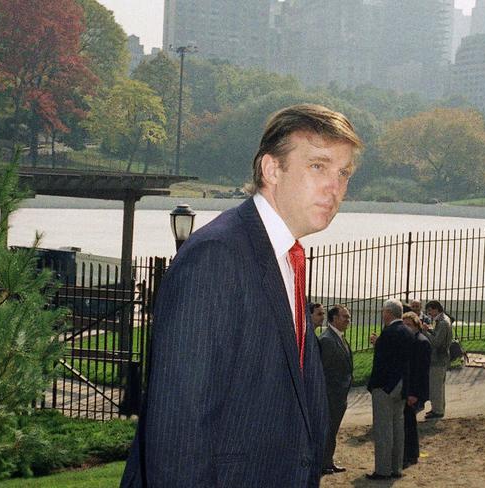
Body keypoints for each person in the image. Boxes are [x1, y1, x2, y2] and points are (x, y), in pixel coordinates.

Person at [120, 104, 363, 488]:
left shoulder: (283, 257)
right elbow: (179, 428)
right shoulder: (217, 255)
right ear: (271, 169)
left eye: (343, 173)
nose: (335, 187)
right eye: (318, 166)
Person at [366, 299, 414, 480]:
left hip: (386, 386)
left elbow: (382, 362)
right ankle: (396, 468)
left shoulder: (388, 333)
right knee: (397, 428)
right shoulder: (407, 332)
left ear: (388, 313)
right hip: (401, 385)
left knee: (383, 429)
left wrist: (375, 385)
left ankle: (383, 470)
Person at [318, 305, 353, 475]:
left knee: (332, 430)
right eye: (345, 317)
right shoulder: (327, 340)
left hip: (339, 395)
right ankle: (324, 462)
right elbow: (324, 371)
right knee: (328, 430)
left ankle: (328, 460)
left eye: (348, 317)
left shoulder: (339, 338)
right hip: (331, 395)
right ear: (334, 318)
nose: (348, 320)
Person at [402, 311, 431, 468]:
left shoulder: (421, 342)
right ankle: (411, 454)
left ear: (416, 325)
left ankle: (409, 455)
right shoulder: (413, 340)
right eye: (404, 325)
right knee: (409, 423)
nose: (406, 328)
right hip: (409, 389)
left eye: (409, 325)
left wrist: (414, 393)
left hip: (413, 391)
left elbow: (420, 371)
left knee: (408, 424)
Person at [421, 300, 452, 419]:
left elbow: (436, 342)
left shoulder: (443, 323)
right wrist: (429, 329)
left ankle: (437, 410)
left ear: (436, 309)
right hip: (441, 357)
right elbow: (438, 336)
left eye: (430, 311)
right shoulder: (443, 320)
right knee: (439, 385)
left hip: (438, 358)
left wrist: (425, 332)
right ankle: (438, 408)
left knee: (436, 386)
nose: (429, 314)